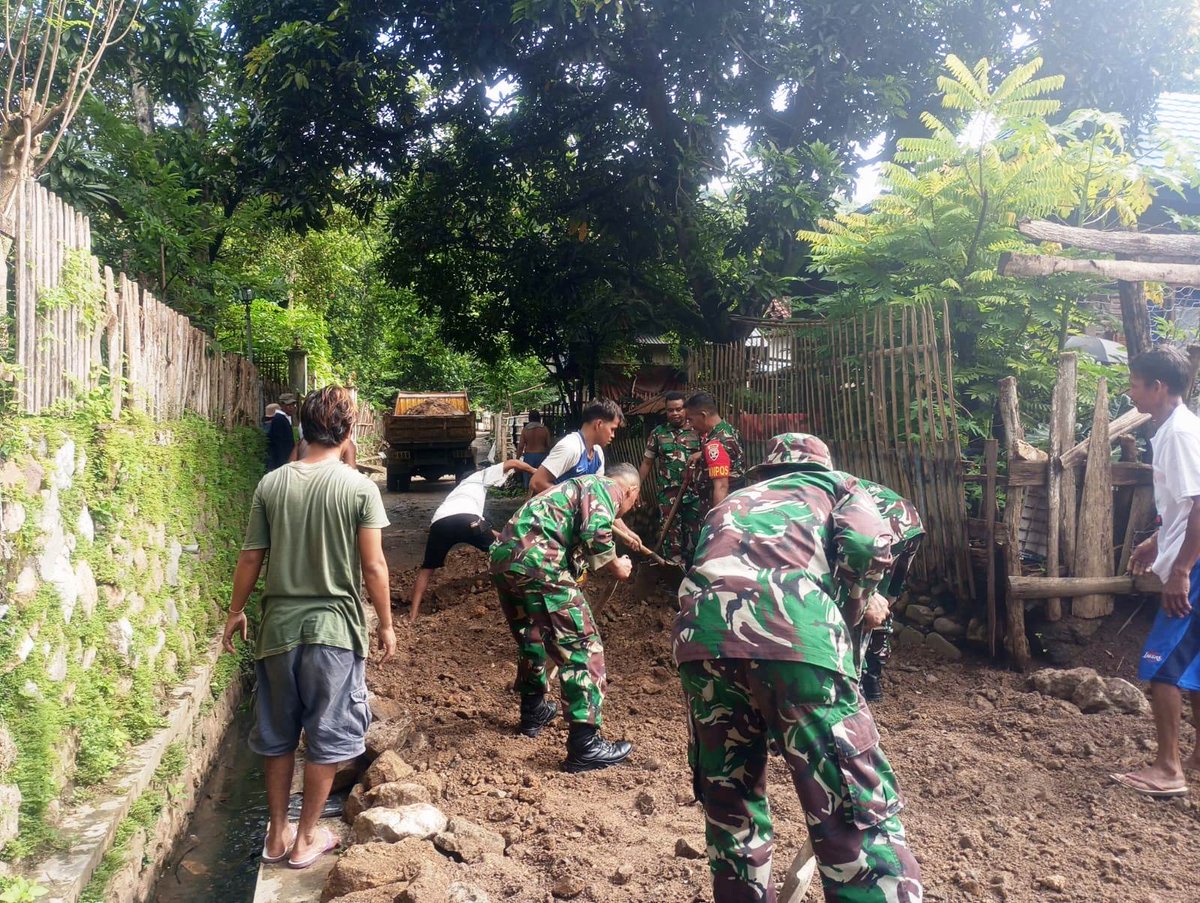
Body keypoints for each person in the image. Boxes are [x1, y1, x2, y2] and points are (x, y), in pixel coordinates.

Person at [674, 433, 922, 903]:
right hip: (799, 640)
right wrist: (851, 611)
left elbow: (707, 567)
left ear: (767, 472)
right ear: (820, 466)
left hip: (703, 642)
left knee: (731, 803)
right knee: (854, 812)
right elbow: (869, 547)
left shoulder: (733, 501)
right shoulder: (840, 487)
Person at [221, 385, 395, 869]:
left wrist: (236, 611)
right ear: (349, 430)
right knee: (328, 736)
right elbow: (375, 566)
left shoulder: (271, 484)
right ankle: (306, 840)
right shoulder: (359, 488)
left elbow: (252, 555)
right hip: (335, 634)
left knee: (276, 735)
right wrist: (386, 623)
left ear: (302, 427)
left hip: (277, 631)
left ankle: (274, 836)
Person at [489, 463, 641, 772]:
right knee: (583, 647)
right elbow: (597, 532)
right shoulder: (605, 487)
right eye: (632, 503)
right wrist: (617, 567)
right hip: (538, 560)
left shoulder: (573, 489)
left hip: (506, 559)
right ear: (630, 491)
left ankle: (533, 713)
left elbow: (576, 541)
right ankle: (585, 744)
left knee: (533, 635)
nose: (626, 509)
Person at [1117, 346, 1200, 798]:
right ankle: (1197, 758)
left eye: (1134, 384)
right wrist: (1157, 539)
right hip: (1193, 554)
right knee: (1193, 666)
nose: (1131, 392)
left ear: (1158, 387)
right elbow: (1184, 503)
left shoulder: (1181, 435)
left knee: (1162, 665)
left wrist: (1182, 569)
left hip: (1196, 564)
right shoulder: (1175, 430)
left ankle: (1168, 768)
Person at [408, 458, 537, 623]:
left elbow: (486, 531)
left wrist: (505, 536)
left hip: (439, 524)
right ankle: (523, 583)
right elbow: (513, 463)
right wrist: (536, 471)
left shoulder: (456, 493)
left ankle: (413, 615)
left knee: (427, 569)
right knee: (503, 550)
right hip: (469, 520)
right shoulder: (480, 477)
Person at [638, 391, 701, 566]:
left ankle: (693, 569)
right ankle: (673, 570)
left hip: (694, 494)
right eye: (670, 410)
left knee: (694, 532)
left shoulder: (697, 430)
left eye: (678, 409)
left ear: (685, 409)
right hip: (668, 495)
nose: (674, 413)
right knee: (669, 533)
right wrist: (636, 488)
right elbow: (647, 463)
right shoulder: (658, 433)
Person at [528, 398, 622, 494]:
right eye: (612, 429)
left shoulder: (598, 452)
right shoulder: (570, 447)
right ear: (599, 424)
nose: (613, 435)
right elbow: (536, 482)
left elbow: (595, 490)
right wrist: (575, 500)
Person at [683, 392, 745, 535]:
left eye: (691, 420)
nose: (690, 426)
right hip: (736, 504)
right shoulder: (730, 430)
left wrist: (717, 525)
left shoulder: (715, 444)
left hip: (721, 509)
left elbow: (721, 487)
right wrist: (702, 453)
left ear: (703, 415)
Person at [516, 411, 552, 489]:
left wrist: (517, 459)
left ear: (529, 418)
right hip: (542, 456)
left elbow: (521, 446)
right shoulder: (544, 430)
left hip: (529, 457)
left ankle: (528, 496)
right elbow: (549, 445)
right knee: (541, 479)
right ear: (539, 418)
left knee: (528, 480)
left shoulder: (525, 430)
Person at [265, 393, 298, 471]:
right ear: (282, 405)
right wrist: (283, 464)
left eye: (293, 405)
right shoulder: (279, 419)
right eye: (289, 406)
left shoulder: (285, 418)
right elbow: (279, 444)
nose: (292, 408)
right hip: (280, 462)